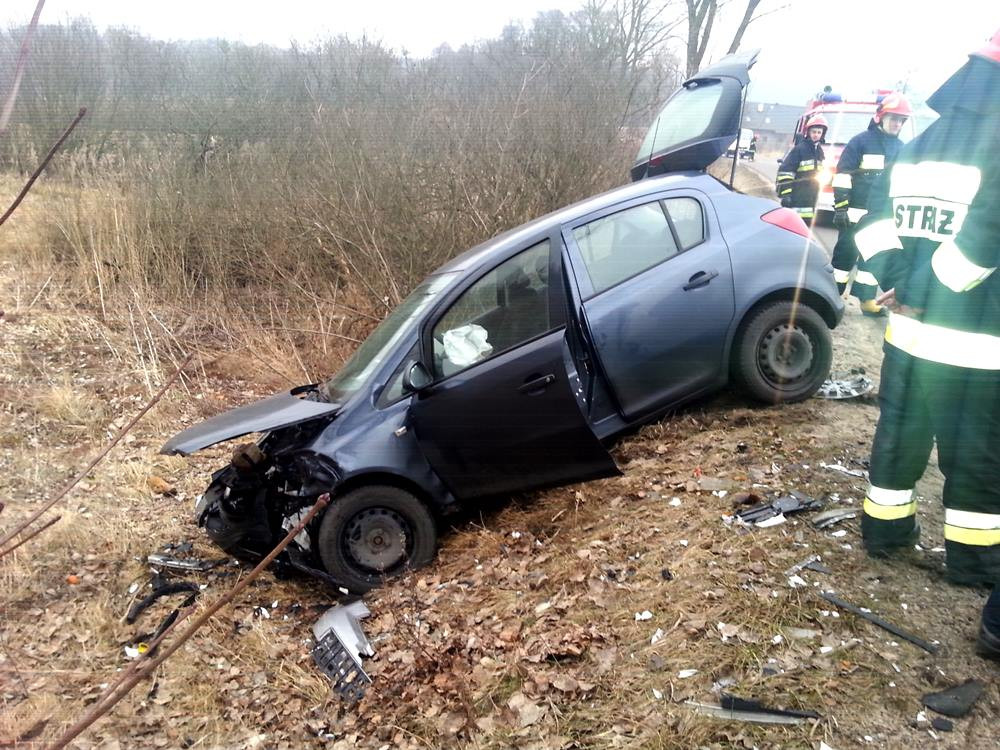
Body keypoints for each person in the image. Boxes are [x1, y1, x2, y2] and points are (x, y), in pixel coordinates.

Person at [854, 28, 1000, 660]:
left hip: (905, 335)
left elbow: (873, 220)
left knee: (899, 436)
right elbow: (983, 241)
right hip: (972, 347)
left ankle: (884, 534)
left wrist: (893, 281)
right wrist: (921, 285)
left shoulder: (916, 145)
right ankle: (973, 563)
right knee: (975, 459)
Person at [830, 92, 912, 315]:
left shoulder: (902, 148)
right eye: (893, 118)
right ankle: (831, 298)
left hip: (881, 217)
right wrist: (841, 207)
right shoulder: (860, 142)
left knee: (873, 261)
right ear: (880, 117)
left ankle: (867, 301)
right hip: (854, 214)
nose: (897, 123)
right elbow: (843, 175)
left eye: (900, 120)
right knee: (843, 258)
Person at [776, 115, 826, 222]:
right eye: (814, 132)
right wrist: (786, 195)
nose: (816, 135)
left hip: (811, 197)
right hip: (797, 196)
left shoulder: (819, 151)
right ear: (808, 132)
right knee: (793, 226)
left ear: (822, 134)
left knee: (805, 228)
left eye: (819, 132)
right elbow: (786, 172)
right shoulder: (800, 149)